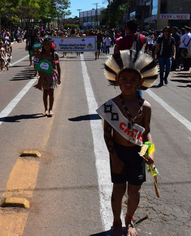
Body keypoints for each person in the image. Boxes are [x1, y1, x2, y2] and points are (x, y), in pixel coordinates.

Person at [97, 49, 158, 236]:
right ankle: (116, 221)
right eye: (124, 79)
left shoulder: (145, 107)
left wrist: (150, 153)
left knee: (135, 192)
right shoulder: (111, 106)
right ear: (117, 81)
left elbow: (147, 133)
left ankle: (129, 220)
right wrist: (114, 157)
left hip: (137, 155)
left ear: (140, 82)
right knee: (118, 190)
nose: (129, 84)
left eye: (133, 80)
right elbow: (107, 134)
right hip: (118, 154)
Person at [35, 38, 61, 116]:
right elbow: (38, 65)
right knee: (45, 92)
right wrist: (39, 74)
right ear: (43, 45)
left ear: (51, 45)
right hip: (44, 76)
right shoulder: (41, 55)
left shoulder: (55, 55)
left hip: (52, 76)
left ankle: (51, 109)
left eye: (48, 44)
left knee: (51, 92)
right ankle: (46, 109)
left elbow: (58, 66)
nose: (47, 46)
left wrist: (59, 77)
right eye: (45, 44)